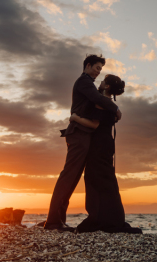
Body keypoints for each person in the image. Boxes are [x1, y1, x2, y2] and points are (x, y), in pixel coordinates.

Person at [44, 54, 121, 232]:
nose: (98, 72)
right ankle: (53, 222)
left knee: (72, 178)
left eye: (100, 70)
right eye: (96, 68)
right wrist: (116, 109)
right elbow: (98, 99)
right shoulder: (84, 82)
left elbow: (98, 103)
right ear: (87, 66)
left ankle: (57, 221)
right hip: (78, 134)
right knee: (69, 176)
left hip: (82, 134)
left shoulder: (89, 84)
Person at [72, 74, 141, 234]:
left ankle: (99, 218)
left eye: (103, 81)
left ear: (107, 86)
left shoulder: (103, 103)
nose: (100, 82)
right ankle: (111, 218)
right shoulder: (108, 104)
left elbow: (94, 124)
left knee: (94, 179)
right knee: (106, 180)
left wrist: (75, 118)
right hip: (106, 144)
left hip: (99, 145)